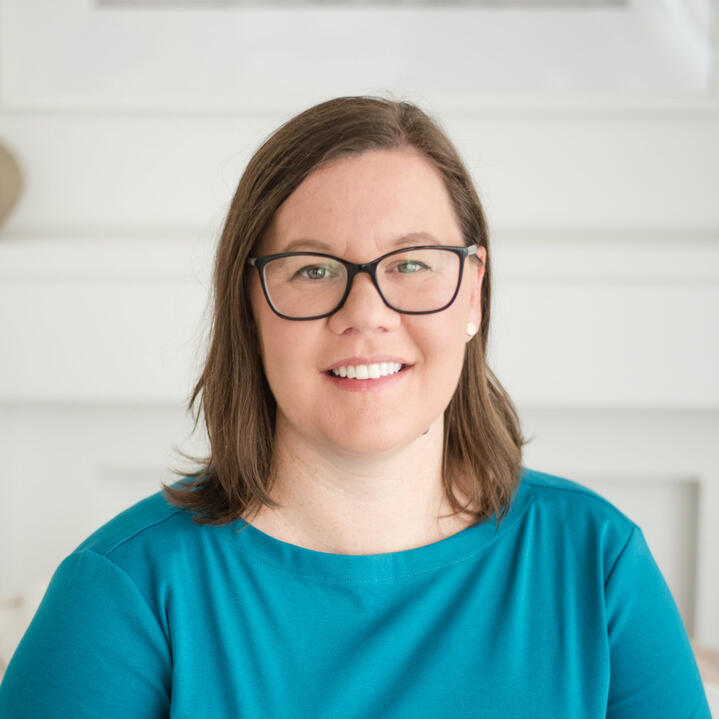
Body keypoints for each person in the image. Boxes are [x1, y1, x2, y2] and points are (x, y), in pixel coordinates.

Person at [0, 96, 710, 719]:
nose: (365, 313)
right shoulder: (126, 590)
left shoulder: (596, 561)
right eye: (312, 269)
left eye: (410, 263)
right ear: (249, 309)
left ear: (472, 291)